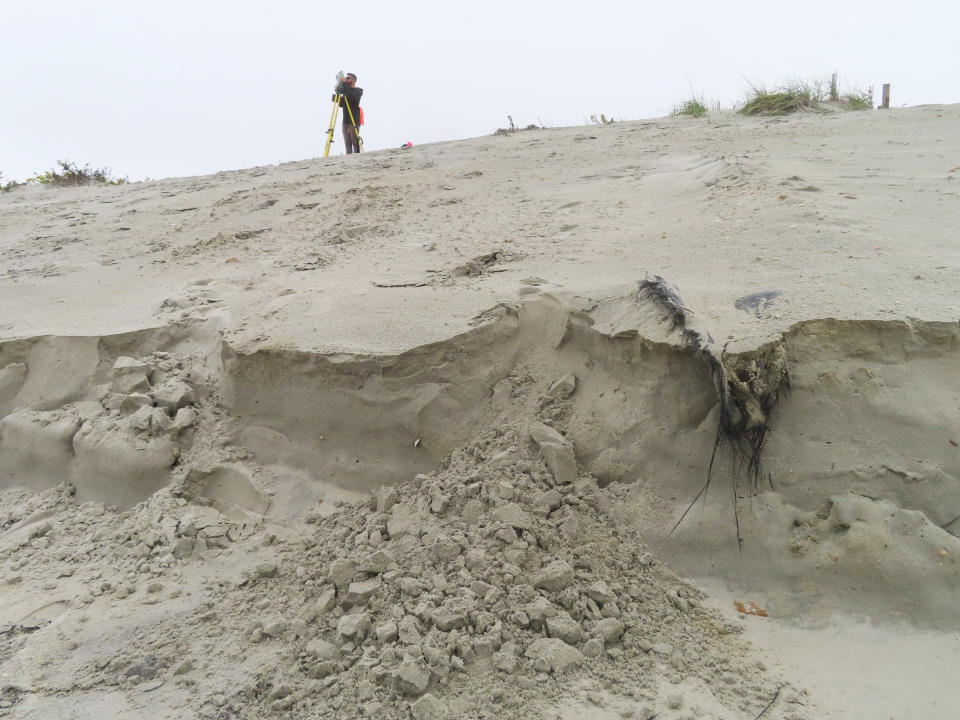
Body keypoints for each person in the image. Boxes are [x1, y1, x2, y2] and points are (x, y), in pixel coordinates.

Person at [335, 73, 363, 154]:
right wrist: (338, 92)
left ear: (353, 80)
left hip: (354, 120)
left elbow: (351, 96)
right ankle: (349, 158)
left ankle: (357, 156)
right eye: (346, 78)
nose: (346, 80)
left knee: (355, 141)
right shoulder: (346, 91)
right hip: (345, 121)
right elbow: (341, 104)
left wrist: (344, 84)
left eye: (348, 78)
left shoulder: (358, 91)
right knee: (347, 142)